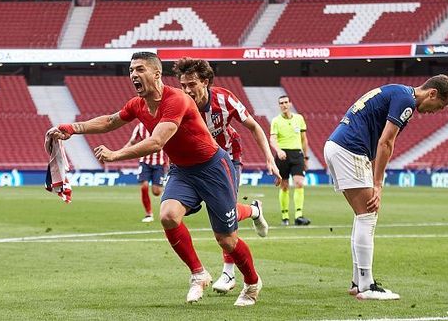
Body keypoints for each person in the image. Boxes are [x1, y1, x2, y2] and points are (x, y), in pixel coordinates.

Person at [48, 52, 281, 306]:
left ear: (156, 74)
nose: (133, 75)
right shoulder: (138, 104)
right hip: (183, 171)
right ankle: (198, 274)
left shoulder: (176, 100)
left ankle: (252, 282)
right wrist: (71, 128)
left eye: (139, 69)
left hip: (214, 167)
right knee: (168, 216)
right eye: (130, 71)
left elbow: (157, 141)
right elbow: (111, 121)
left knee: (226, 239)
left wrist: (116, 155)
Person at [324, 75, 448, 300]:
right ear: (432, 93)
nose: (436, 111)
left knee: (363, 215)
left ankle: (358, 282)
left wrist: (377, 181)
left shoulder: (398, 92)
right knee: (368, 215)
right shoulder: (406, 101)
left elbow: (378, 144)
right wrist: (378, 184)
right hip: (350, 149)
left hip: (339, 146)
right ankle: (366, 285)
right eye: (439, 106)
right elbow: (386, 142)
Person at [172, 57, 281, 294]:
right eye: (183, 86)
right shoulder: (178, 103)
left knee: (226, 213)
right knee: (199, 211)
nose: (187, 90)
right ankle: (254, 210)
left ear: (206, 81)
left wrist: (269, 158)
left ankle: (229, 273)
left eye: (192, 84)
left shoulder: (224, 98)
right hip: (196, 164)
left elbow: (253, 126)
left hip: (228, 158)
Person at [270, 95, 311, 226]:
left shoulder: (299, 119)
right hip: (283, 155)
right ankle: (285, 216)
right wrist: (279, 150)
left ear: (290, 104)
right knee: (284, 185)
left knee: (299, 183)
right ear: (279, 106)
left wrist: (306, 157)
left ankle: (299, 215)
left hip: (297, 154)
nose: (284, 105)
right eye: (281, 103)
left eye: (286, 102)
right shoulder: (276, 121)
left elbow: (304, 139)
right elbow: (272, 139)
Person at [124, 122, 169, 223]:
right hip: (144, 162)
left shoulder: (163, 124)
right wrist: (118, 153)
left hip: (159, 163)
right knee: (144, 186)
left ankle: (170, 194)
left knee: (156, 192)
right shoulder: (140, 126)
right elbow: (132, 142)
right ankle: (148, 214)